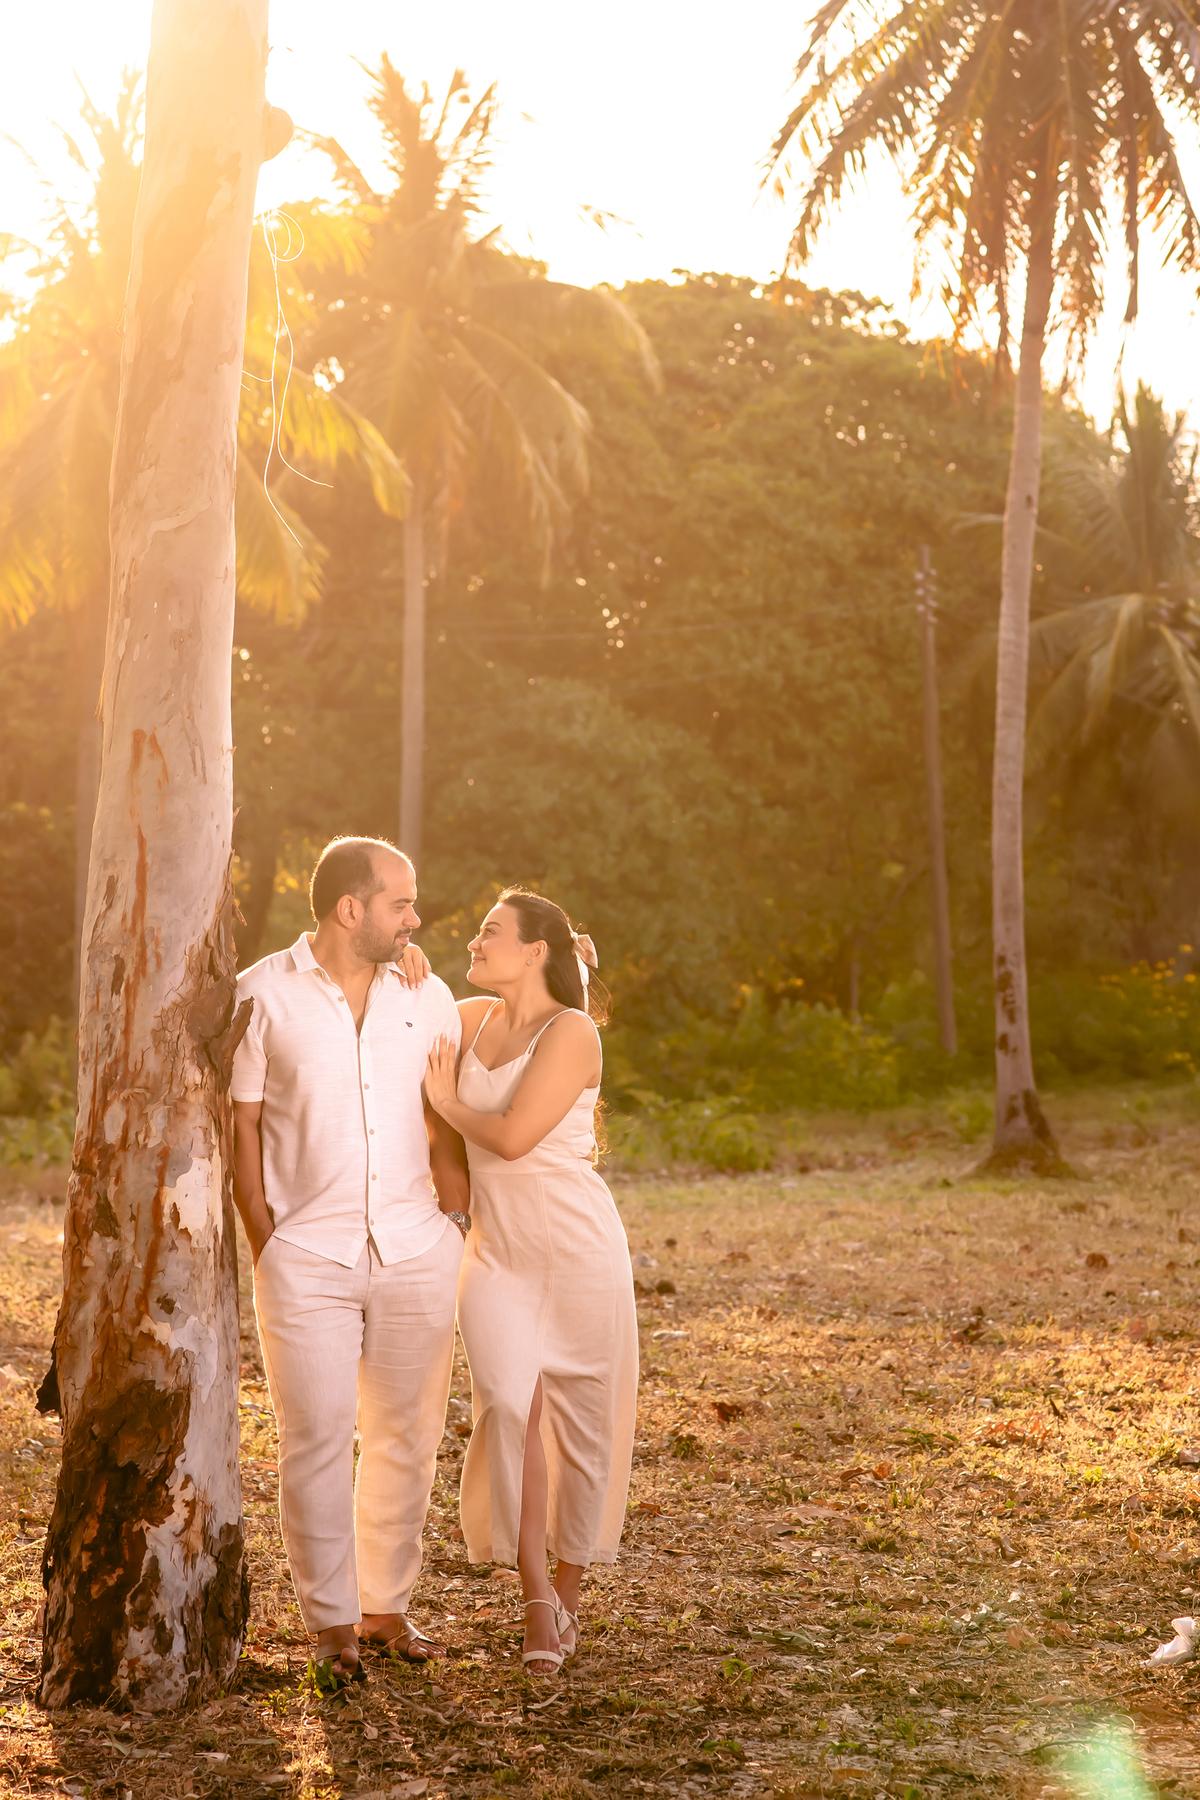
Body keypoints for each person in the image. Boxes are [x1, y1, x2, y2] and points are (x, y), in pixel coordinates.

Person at [231, 836, 471, 1686]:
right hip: (306, 1256)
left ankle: (386, 1609)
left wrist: (453, 1222)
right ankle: (330, 1622)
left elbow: (443, 1122)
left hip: (416, 1248)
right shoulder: (260, 996)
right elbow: (243, 1126)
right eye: (402, 903)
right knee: (317, 1438)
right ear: (350, 909)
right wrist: (269, 1240)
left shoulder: (428, 995)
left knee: (408, 1435)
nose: (415, 917)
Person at [423, 887, 638, 1675]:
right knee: (509, 1409)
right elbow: (408, 1007)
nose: (473, 942)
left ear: (534, 951)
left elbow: (512, 1139)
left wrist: (448, 1101)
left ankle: (564, 1603)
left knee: (581, 1429)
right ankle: (534, 1599)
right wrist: (409, 962)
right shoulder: (468, 1019)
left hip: (577, 1248)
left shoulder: (573, 1030)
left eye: (489, 931)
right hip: (497, 1253)